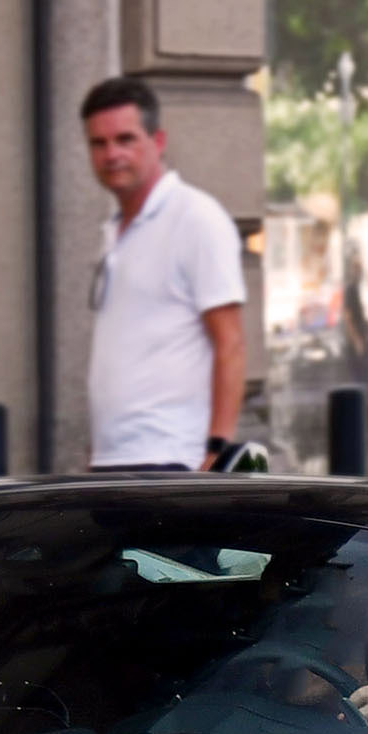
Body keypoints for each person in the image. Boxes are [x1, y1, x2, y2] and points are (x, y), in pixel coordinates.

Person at [79, 77, 248, 471]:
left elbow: (232, 344)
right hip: (114, 460)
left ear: (158, 141)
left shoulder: (196, 218)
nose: (112, 154)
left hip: (173, 459)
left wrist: (215, 453)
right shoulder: (115, 228)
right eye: (98, 144)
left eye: (125, 139)